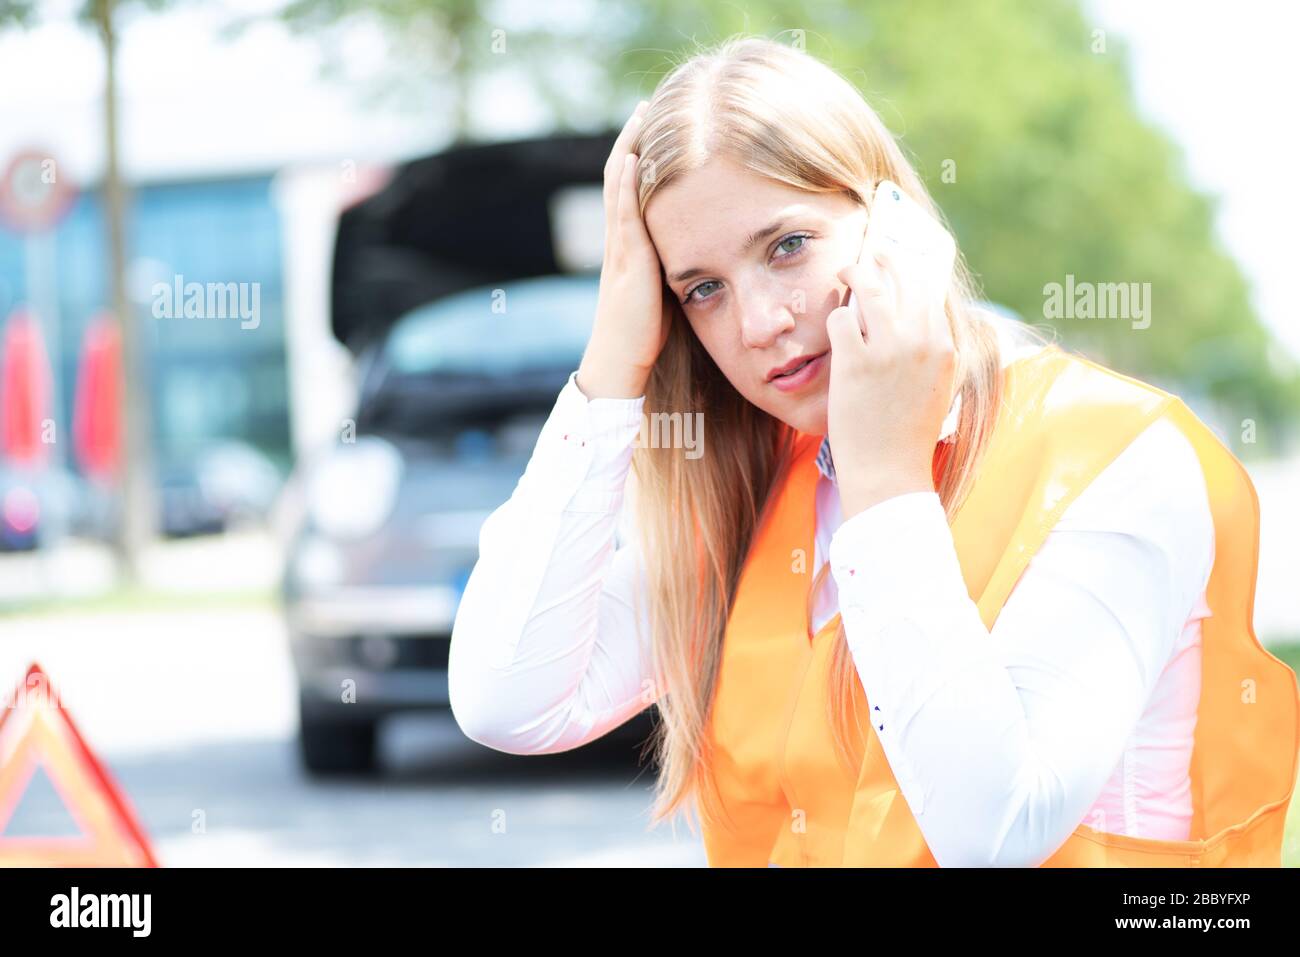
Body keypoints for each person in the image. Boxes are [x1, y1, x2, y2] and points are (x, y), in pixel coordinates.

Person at [448, 35, 1298, 867]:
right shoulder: (755, 481)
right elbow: (507, 701)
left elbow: (994, 832)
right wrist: (611, 361)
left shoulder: (1118, 458)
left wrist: (885, 480)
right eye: (702, 289)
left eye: (787, 246)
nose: (757, 324)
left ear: (892, 223)